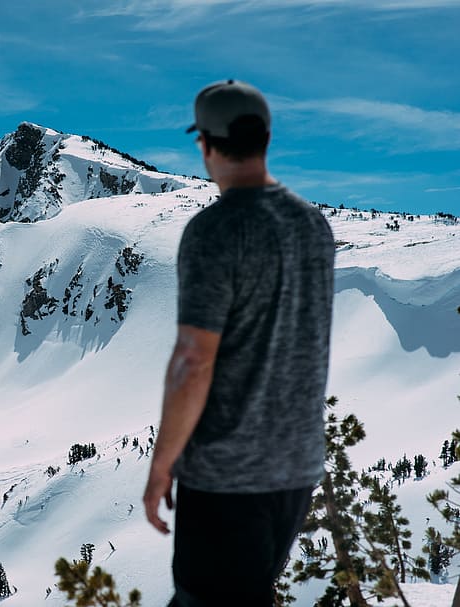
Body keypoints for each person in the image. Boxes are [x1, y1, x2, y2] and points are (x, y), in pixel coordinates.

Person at [142, 80, 336, 606]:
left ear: (205, 143)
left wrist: (162, 466)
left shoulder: (215, 230)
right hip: (295, 468)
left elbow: (193, 361)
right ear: (266, 138)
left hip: (228, 475)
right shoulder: (312, 224)